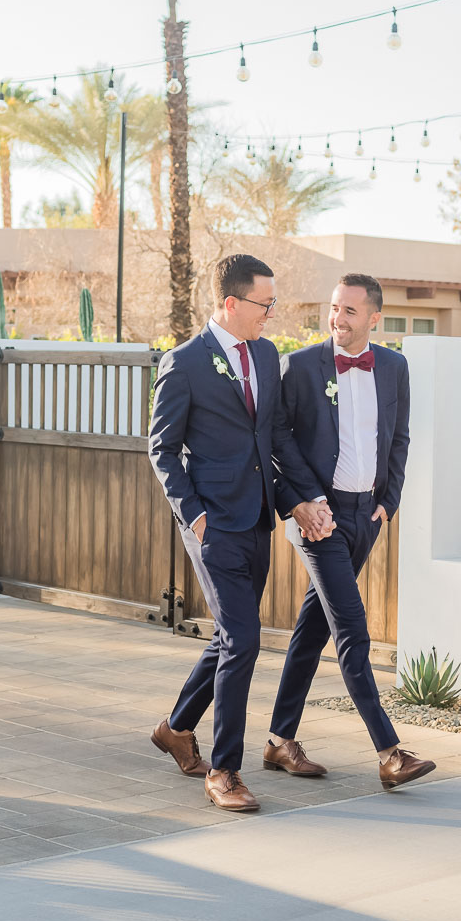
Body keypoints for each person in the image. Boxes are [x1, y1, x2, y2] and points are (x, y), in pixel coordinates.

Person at [146, 254, 323, 811]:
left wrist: (303, 499)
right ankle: (225, 771)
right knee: (243, 640)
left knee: (231, 637)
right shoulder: (183, 363)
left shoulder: (266, 355)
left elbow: (274, 436)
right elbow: (162, 450)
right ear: (231, 302)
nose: (271, 313)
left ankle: (175, 729)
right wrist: (196, 518)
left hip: (259, 518)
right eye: (264, 304)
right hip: (213, 525)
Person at [265, 274, 436, 790]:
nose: (337, 318)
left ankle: (279, 741)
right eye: (335, 308)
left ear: (374, 318)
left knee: (313, 629)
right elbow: (277, 436)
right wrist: (308, 500)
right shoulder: (300, 366)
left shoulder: (394, 366)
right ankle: (389, 752)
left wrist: (389, 501)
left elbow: (399, 437)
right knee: (351, 628)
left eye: (350, 311)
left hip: (367, 515)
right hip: (320, 517)